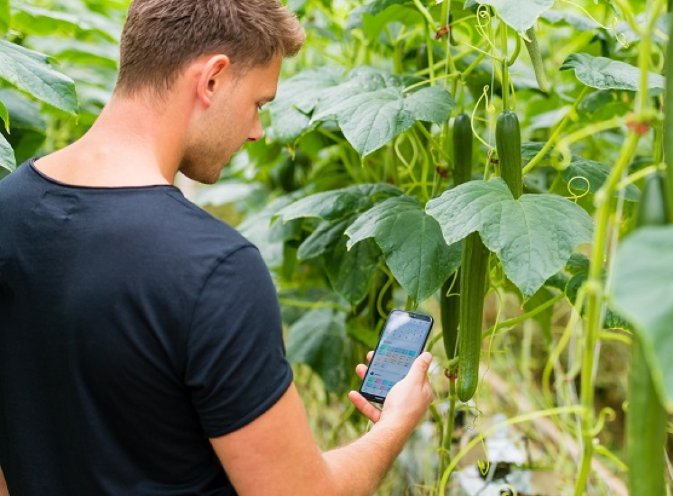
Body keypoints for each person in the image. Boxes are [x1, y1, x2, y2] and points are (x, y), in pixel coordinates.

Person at [0, 1, 435, 494]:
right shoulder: (215, 269)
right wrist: (397, 422)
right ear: (212, 80)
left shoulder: (8, 208)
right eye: (259, 104)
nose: (257, 130)